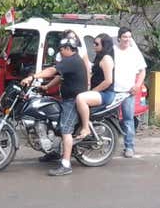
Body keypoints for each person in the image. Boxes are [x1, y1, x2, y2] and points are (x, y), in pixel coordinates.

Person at [21, 36, 87, 177]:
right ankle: (55, 152)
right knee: (53, 122)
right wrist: (45, 87)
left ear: (68, 49)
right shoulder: (70, 61)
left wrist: (33, 77)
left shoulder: (72, 61)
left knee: (65, 129)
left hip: (73, 101)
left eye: (62, 49)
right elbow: (59, 77)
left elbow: (52, 71)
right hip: (67, 99)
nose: (60, 52)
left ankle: (66, 164)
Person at [113, 27, 146, 158]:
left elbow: (142, 71)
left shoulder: (134, 52)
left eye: (129, 37)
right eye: (125, 36)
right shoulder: (113, 51)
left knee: (128, 119)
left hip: (128, 92)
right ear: (119, 38)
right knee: (109, 119)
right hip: (113, 91)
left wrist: (137, 85)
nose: (127, 39)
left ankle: (129, 146)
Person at [74, 33, 115, 140]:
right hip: (99, 92)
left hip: (105, 93)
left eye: (96, 44)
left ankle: (86, 128)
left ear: (104, 45)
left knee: (81, 98)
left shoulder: (106, 59)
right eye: (93, 43)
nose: (94, 46)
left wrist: (93, 90)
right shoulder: (99, 57)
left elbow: (108, 81)